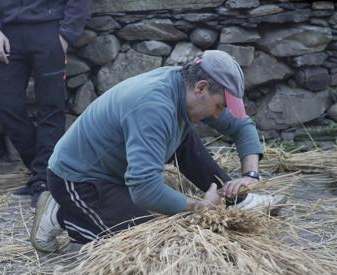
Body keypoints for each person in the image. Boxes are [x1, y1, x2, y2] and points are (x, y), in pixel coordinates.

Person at [30, 50, 287, 252]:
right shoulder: (154, 107)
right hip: (79, 180)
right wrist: (199, 207)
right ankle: (63, 214)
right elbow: (144, 187)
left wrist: (250, 176)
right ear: (201, 87)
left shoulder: (185, 87)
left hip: (119, 171)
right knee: (152, 237)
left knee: (185, 134)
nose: (218, 114)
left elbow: (241, 125)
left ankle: (236, 198)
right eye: (219, 106)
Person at [0, 0, 91, 211]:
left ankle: (43, 181)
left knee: (51, 107)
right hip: (6, 34)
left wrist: (66, 34)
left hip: (49, 31)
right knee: (5, 107)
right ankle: (44, 171)